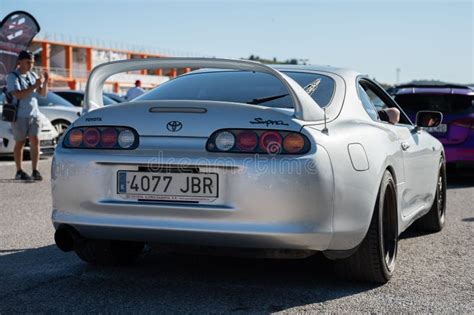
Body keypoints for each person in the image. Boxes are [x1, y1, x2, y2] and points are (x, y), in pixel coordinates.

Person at [6, 50, 49, 180]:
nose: (30, 65)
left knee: (35, 140)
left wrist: (45, 82)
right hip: (19, 115)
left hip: (34, 114)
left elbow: (42, 94)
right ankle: (19, 171)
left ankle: (35, 170)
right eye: (28, 62)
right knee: (20, 142)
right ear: (20, 62)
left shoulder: (32, 75)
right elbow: (18, 94)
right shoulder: (13, 76)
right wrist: (35, 85)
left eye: (32, 62)